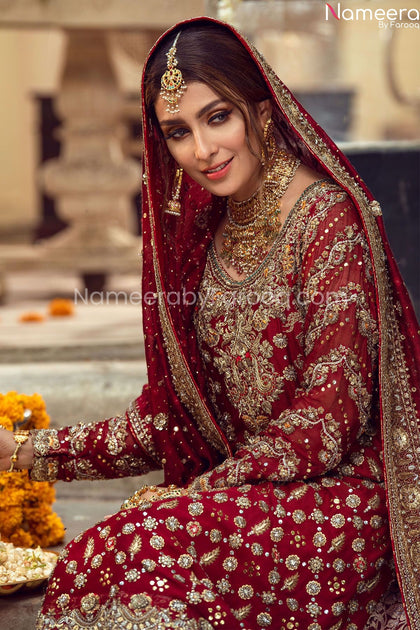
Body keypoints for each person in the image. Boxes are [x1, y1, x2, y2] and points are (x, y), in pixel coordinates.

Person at [0, 16, 419, 630]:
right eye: (177, 131)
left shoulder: (328, 224)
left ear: (262, 110)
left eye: (217, 116)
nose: (202, 150)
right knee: (94, 558)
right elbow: (171, 419)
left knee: (144, 542)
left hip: (343, 509)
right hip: (242, 502)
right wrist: (26, 452)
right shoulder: (205, 239)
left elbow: (329, 419)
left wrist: (201, 494)